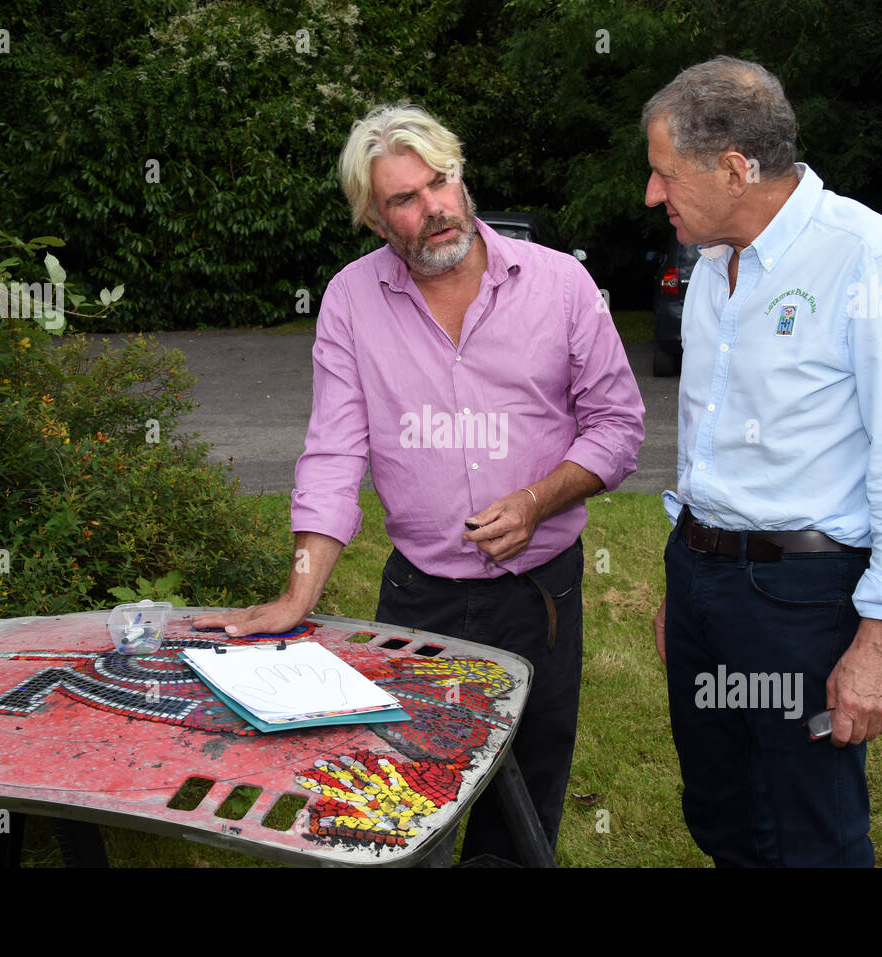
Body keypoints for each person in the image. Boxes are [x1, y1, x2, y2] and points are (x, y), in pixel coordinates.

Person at [195, 103, 644, 865]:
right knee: (402, 812)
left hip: (541, 600)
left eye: (440, 181)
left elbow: (619, 426)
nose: (433, 207)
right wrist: (298, 594)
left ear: (461, 179)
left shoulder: (562, 284)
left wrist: (539, 499)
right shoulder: (349, 300)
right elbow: (334, 454)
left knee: (522, 806)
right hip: (420, 603)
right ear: (376, 220)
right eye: (405, 197)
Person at [643, 56, 882, 866]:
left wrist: (881, 643)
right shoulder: (715, 263)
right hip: (706, 585)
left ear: (736, 169)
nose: (653, 195)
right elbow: (709, 434)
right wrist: (689, 582)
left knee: (812, 830)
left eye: (664, 174)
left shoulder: (873, 261)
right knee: (721, 810)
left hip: (801, 601)